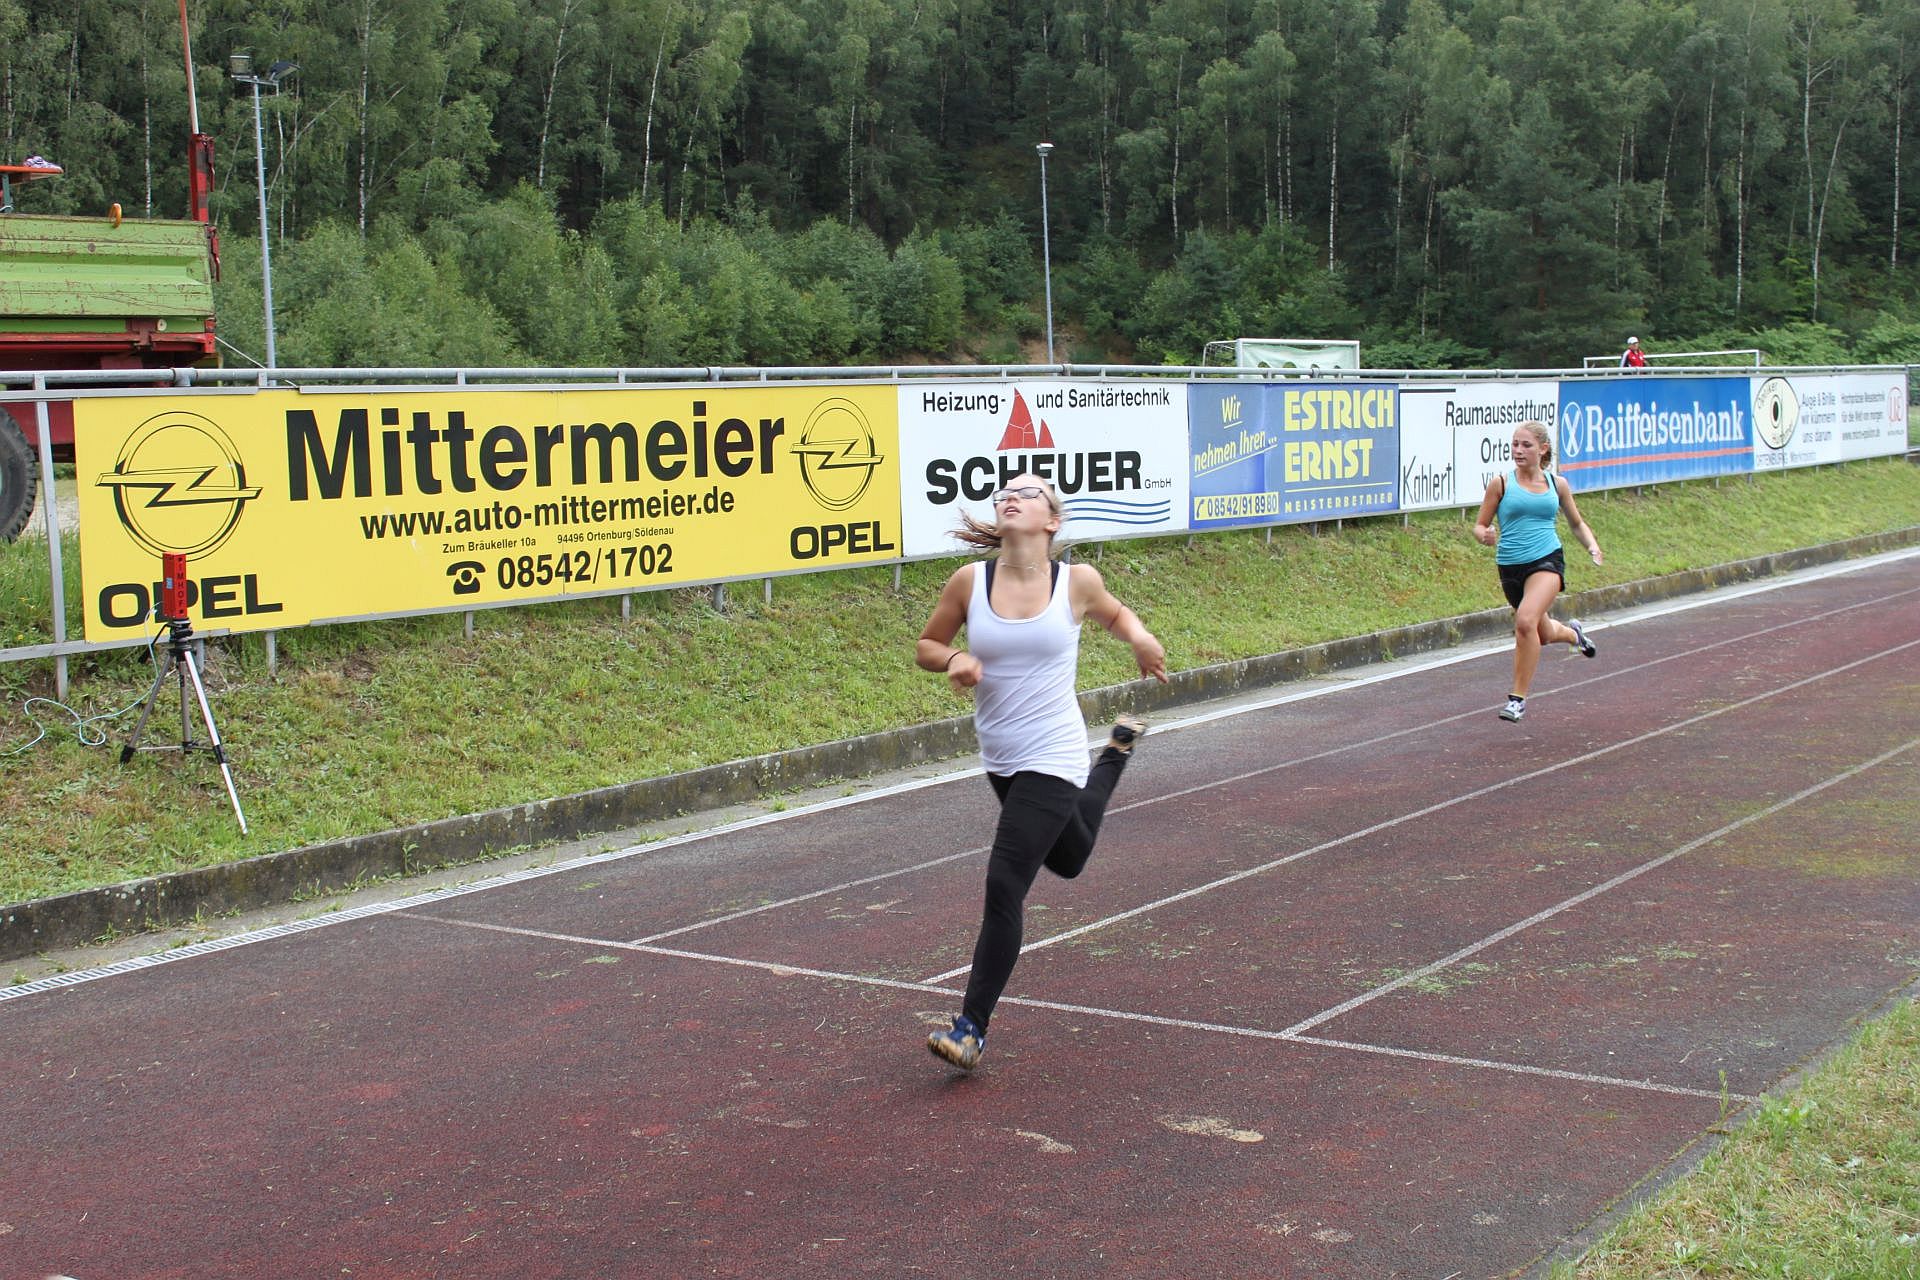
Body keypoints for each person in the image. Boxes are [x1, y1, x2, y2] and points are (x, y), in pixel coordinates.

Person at [915, 473, 1168, 1070]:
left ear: (1051, 520)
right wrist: (955, 658)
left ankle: (970, 1029)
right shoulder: (969, 582)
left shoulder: (1076, 582)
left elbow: (1115, 614)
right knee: (1069, 858)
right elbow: (927, 645)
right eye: (1005, 490)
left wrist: (1140, 638)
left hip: (1052, 752)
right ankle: (1116, 754)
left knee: (1005, 883)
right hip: (1001, 757)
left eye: (1027, 493)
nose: (1011, 495)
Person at [1472, 421, 1603, 722]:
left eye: (1526, 445)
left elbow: (1576, 523)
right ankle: (1574, 635)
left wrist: (1592, 546)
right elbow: (1479, 525)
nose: (1518, 450)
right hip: (1510, 567)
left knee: (1525, 620)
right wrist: (1484, 535)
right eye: (1515, 444)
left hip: (1547, 561)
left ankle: (1516, 700)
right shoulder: (1500, 484)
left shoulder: (1558, 485)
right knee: (1541, 633)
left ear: (1543, 449)